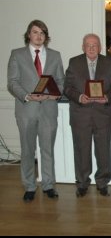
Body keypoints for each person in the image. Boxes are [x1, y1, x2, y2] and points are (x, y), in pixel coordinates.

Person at [7, 19, 65, 202]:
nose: (39, 36)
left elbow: (61, 81)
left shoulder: (55, 55)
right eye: (35, 32)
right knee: (27, 150)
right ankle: (30, 186)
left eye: (42, 33)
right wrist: (27, 96)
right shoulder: (17, 55)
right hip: (26, 110)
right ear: (28, 35)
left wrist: (54, 94)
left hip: (48, 109)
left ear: (46, 37)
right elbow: (12, 82)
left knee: (47, 149)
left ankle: (48, 185)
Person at [64, 34, 111, 197]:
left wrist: (107, 97)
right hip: (80, 114)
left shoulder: (109, 63)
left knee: (103, 150)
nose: (92, 48)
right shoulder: (74, 63)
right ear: (83, 47)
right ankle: (82, 183)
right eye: (88, 45)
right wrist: (79, 97)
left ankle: (102, 183)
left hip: (102, 114)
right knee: (81, 150)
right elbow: (67, 87)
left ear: (100, 47)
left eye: (95, 44)